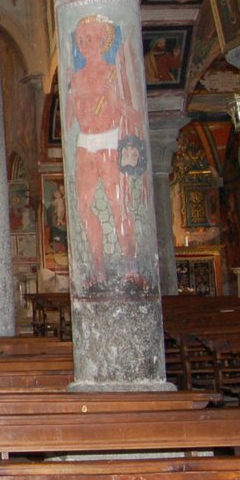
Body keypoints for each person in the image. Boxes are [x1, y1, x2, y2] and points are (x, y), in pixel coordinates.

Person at [65, 15, 144, 288]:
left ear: (103, 41)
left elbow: (136, 117)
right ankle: (98, 269)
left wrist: (115, 100)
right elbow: (68, 123)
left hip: (110, 140)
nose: (86, 44)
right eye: (81, 40)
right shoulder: (75, 76)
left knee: (117, 203)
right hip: (85, 143)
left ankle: (130, 266)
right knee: (83, 207)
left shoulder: (115, 73)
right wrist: (68, 95)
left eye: (91, 38)